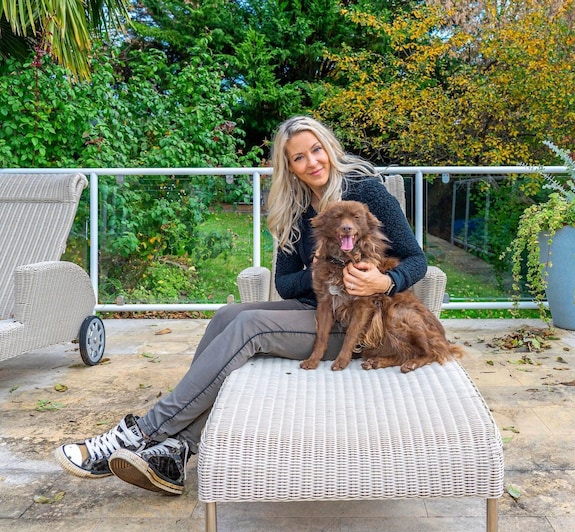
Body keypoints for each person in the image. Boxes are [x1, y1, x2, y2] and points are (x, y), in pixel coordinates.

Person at [54, 116, 427, 495]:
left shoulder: (366, 192)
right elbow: (285, 284)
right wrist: (317, 269)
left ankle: (141, 433)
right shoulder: (297, 208)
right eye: (299, 158)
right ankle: (175, 451)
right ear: (289, 166)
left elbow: (417, 260)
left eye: (316, 150)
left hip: (364, 324)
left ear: (329, 148)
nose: (312, 162)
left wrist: (385, 281)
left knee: (252, 327)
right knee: (228, 315)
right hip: (316, 309)